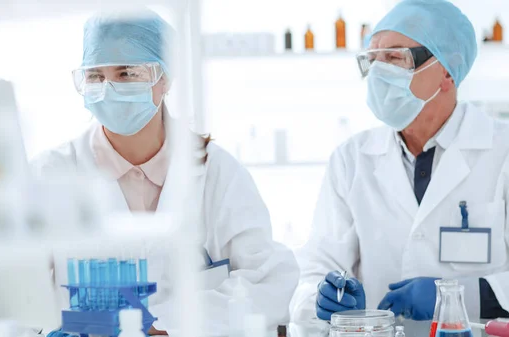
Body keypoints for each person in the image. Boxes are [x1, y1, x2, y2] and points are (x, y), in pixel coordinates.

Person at [30, 10, 299, 335]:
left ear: (166, 79)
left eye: (127, 72)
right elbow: (14, 298)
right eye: (96, 76)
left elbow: (268, 279)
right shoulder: (50, 175)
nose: (109, 87)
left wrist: (165, 323)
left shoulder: (218, 173)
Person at [290, 0, 509, 334]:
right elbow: (315, 269)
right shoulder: (351, 159)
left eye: (394, 57)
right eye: (371, 59)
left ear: (448, 69)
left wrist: (457, 295)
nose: (378, 71)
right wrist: (321, 297)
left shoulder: (502, 151)